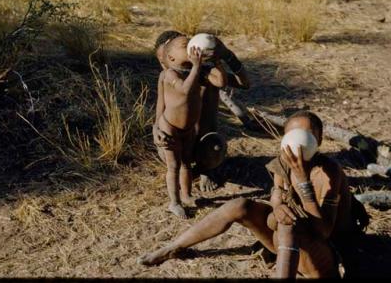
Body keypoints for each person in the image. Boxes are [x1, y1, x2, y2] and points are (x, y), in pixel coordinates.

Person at [138, 111, 369, 278]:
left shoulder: (328, 172)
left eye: (307, 135)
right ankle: (173, 247)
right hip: (286, 247)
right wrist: (277, 207)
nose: (298, 141)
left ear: (318, 141)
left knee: (289, 226)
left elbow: (324, 230)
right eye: (292, 134)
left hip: (324, 255)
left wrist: (302, 182)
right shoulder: (282, 162)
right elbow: (276, 198)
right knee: (239, 206)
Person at [153, 31, 250, 192]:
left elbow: (244, 83)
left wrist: (226, 55)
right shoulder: (168, 77)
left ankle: (206, 169)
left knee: (214, 149)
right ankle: (183, 181)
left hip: (204, 141)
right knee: (169, 153)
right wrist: (155, 129)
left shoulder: (206, 73)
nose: (164, 63)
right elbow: (160, 107)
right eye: (161, 60)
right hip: (176, 136)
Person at [156, 35, 227, 218]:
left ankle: (187, 196)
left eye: (191, 43)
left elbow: (221, 82)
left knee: (186, 164)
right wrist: (156, 128)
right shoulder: (169, 74)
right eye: (184, 46)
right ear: (170, 58)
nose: (191, 47)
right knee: (174, 166)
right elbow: (183, 91)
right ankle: (174, 202)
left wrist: (215, 61)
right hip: (169, 128)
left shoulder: (197, 71)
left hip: (188, 129)